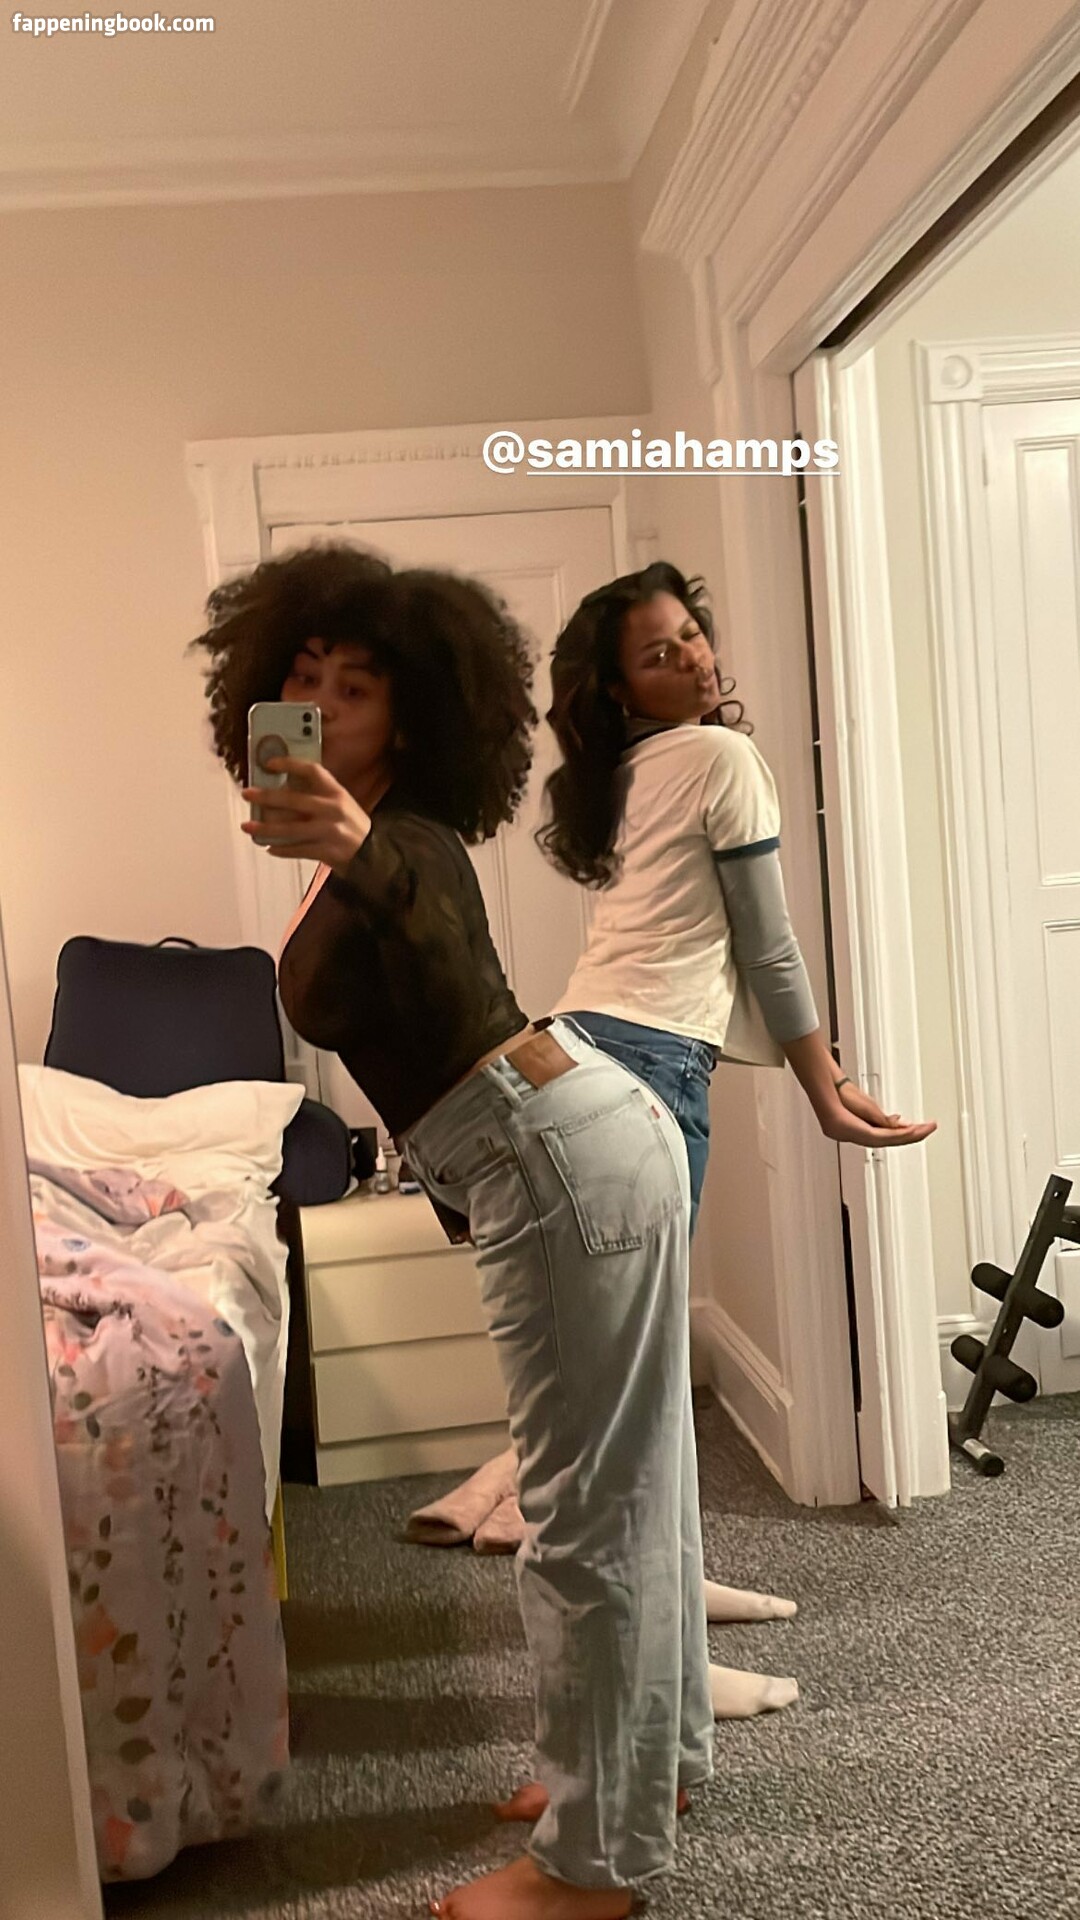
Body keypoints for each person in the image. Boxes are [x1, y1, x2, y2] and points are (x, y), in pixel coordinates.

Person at [189, 545, 713, 1920]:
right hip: (575, 1140)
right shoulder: (360, 841)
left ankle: (593, 1868)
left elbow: (432, 937)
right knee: (634, 1486)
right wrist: (344, 851)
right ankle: (643, 1771)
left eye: (355, 688)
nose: (320, 704)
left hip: (557, 1156)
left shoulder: (402, 841)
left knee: (581, 1516)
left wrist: (358, 852)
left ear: (412, 715)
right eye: (303, 678)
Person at [540, 560, 935, 1219]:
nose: (693, 659)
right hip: (651, 1056)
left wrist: (831, 1079)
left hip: (573, 1042)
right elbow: (768, 945)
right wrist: (827, 1095)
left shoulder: (621, 774)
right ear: (619, 690)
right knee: (657, 1287)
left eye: (691, 634)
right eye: (659, 656)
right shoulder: (720, 756)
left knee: (615, 1288)